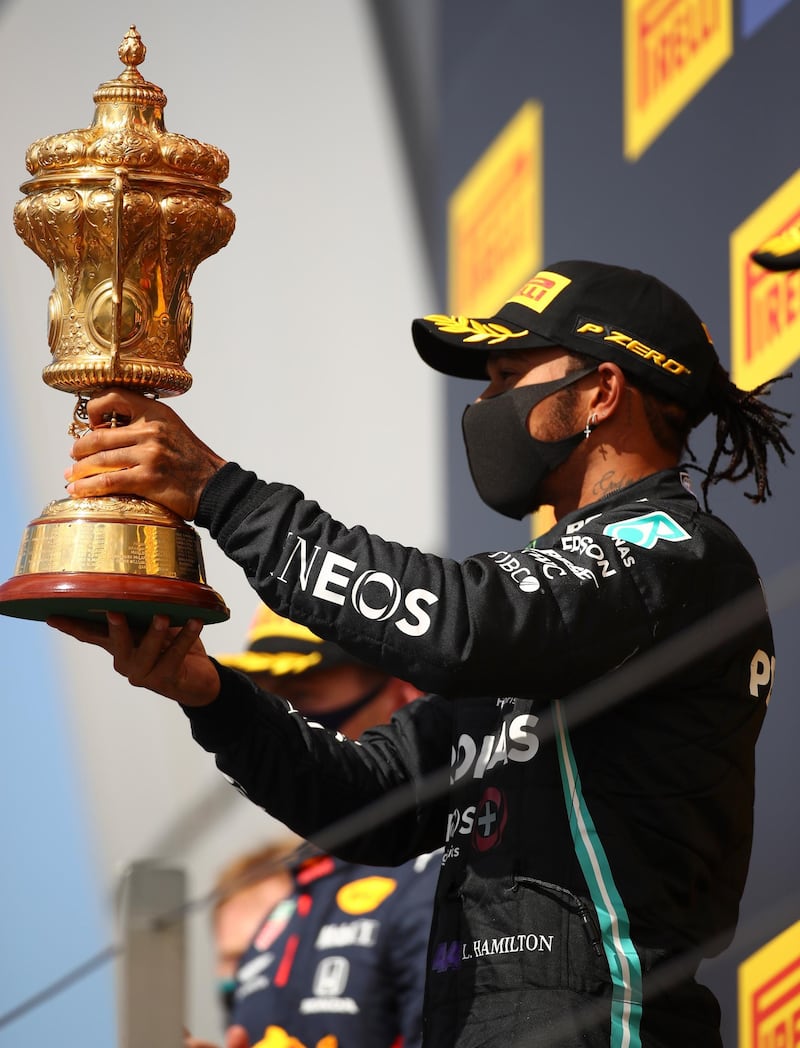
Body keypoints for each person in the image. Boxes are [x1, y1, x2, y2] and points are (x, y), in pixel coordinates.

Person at [53, 259, 794, 1047]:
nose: (482, 405)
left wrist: (221, 495)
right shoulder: (564, 624)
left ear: (601, 394)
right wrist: (206, 692)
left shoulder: (671, 552)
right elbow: (368, 800)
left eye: (508, 374)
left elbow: (457, 627)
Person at [185, 606, 439, 1048]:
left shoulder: (450, 870)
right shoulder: (283, 898)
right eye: (269, 700)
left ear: (405, 696)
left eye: (303, 698)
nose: (282, 722)